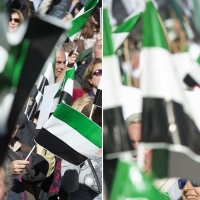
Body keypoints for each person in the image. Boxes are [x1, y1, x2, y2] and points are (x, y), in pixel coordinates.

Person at [60, 94, 102, 200]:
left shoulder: (111, 148)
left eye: (101, 123)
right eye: (95, 124)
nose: (98, 128)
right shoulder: (72, 147)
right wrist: (76, 152)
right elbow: (69, 187)